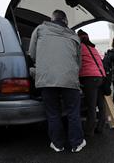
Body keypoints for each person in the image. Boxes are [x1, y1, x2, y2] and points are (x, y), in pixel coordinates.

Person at [29, 10, 85, 153]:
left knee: (53, 113)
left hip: (47, 79)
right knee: (73, 112)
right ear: (66, 21)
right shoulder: (74, 36)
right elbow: (79, 63)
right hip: (70, 79)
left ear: (52, 18)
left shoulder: (40, 29)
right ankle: (77, 144)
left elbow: (32, 54)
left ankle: (57, 144)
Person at [77, 29, 106, 136]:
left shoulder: (80, 47)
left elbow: (78, 63)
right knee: (100, 104)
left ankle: (89, 130)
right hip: (101, 77)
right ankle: (100, 127)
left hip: (90, 78)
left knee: (91, 106)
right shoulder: (93, 48)